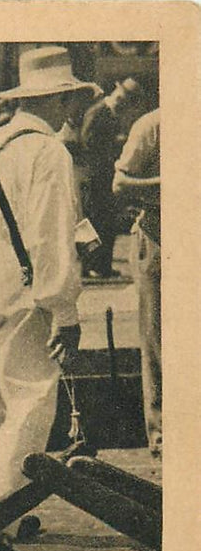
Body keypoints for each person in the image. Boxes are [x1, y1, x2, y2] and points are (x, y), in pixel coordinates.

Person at [0, 46, 93, 551]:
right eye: (71, 99)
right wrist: (65, 312)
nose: (73, 109)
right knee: (30, 401)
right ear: (59, 101)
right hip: (19, 286)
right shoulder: (50, 153)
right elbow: (50, 238)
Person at [113, 108, 160, 457]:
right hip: (158, 240)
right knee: (158, 340)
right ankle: (162, 437)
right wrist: (168, 183)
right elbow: (121, 182)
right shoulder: (152, 125)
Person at [80, 76, 142, 277]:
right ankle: (89, 264)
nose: (122, 102)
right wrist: (113, 146)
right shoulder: (98, 112)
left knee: (108, 221)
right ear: (115, 91)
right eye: (121, 97)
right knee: (93, 221)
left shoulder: (112, 114)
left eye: (126, 100)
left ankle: (102, 265)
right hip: (95, 176)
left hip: (107, 176)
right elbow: (87, 141)